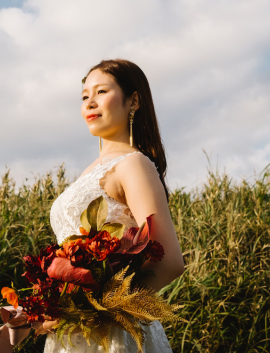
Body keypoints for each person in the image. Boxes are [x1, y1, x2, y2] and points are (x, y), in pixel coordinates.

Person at [43, 59, 185, 353]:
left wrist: (94, 309)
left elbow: (169, 261)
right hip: (72, 334)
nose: (90, 102)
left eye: (101, 92)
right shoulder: (90, 172)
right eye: (84, 96)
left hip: (115, 335)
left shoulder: (132, 164)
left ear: (134, 100)